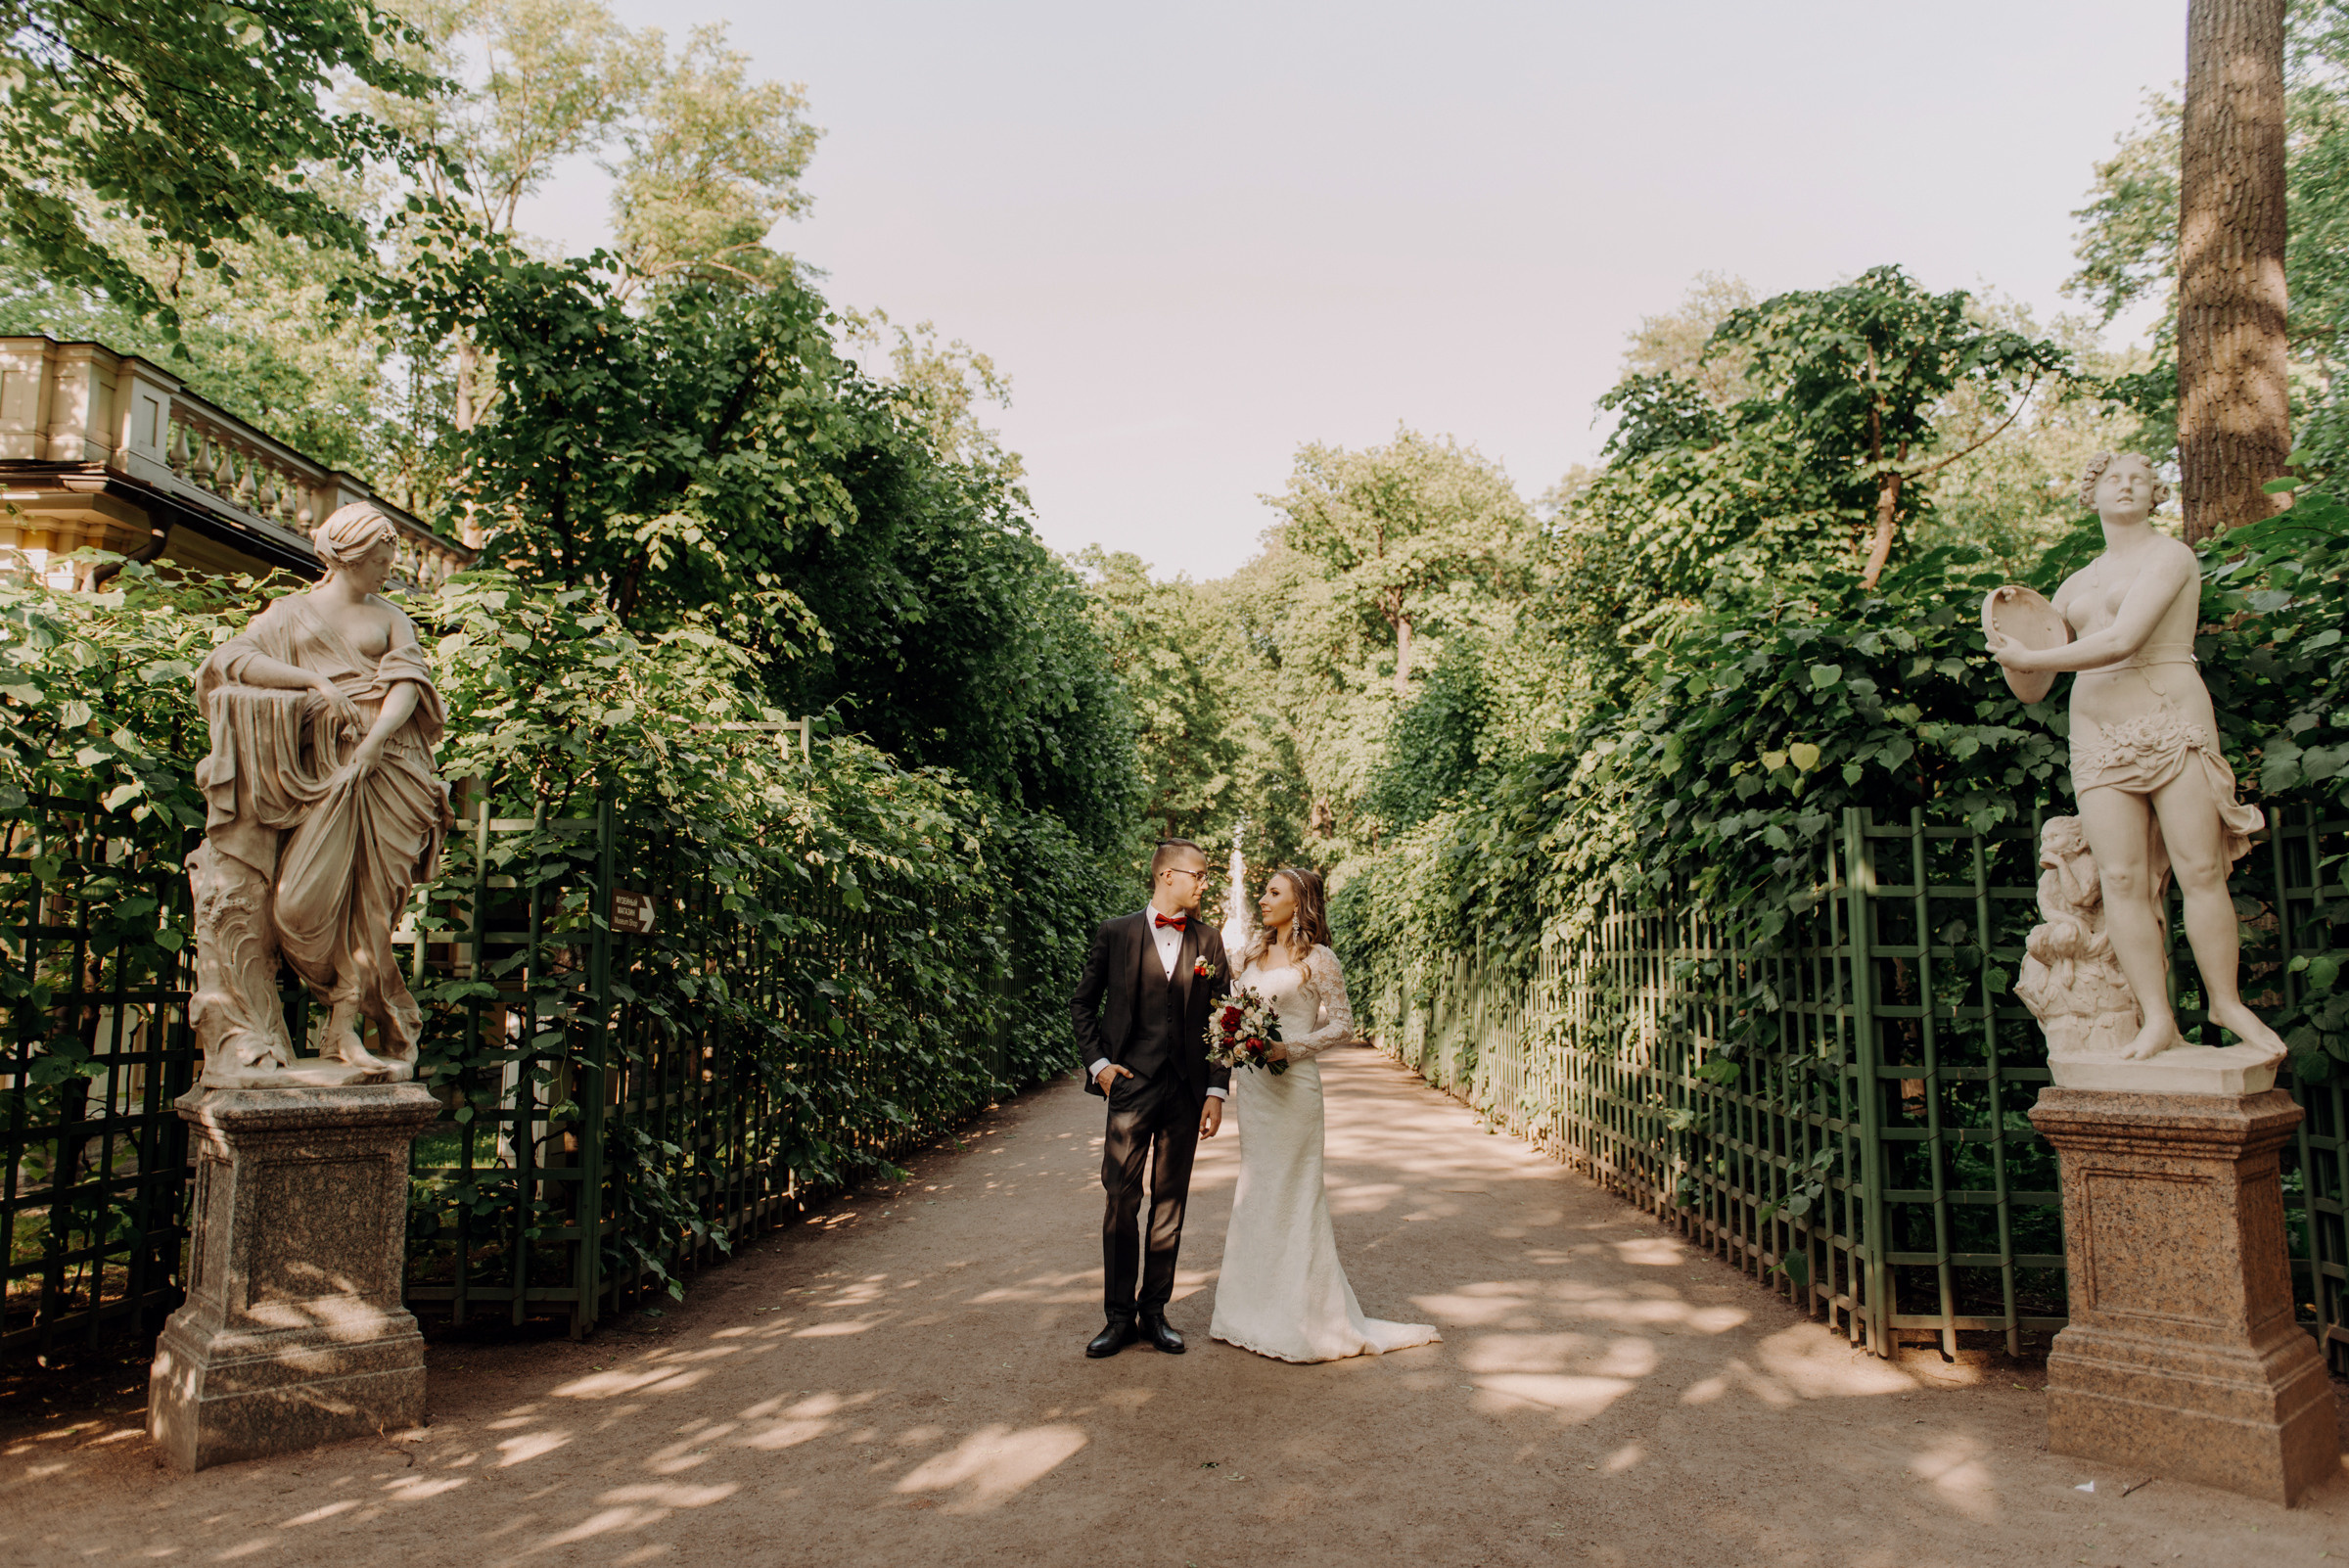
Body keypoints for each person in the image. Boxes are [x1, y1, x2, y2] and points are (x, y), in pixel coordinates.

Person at [1988, 451, 2283, 1066]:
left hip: (2169, 718)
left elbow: (2124, 639)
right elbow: (2034, 687)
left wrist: (2030, 657)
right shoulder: (2071, 588)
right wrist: (2008, 638)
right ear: (2090, 497)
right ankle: (2156, 1019)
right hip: (2097, 730)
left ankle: (2226, 1003)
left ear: (2155, 497)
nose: (2126, 487)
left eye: (2140, 481)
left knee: (2200, 870)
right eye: (2112, 480)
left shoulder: (2169, 556)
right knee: (2120, 880)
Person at [190, 502, 453, 1082]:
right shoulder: (291, 615)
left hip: (391, 768)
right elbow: (232, 662)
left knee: (374, 907)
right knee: (297, 906)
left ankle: (345, 1029)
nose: (390, 570)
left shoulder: (391, 617)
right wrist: (310, 679)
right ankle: (300, 1023)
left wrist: (373, 746)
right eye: (382, 560)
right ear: (352, 557)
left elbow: (407, 687)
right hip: (321, 775)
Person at [1209, 866, 1438, 1362]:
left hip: (1293, 1092)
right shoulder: (1251, 953)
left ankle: (1304, 1317)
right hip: (1254, 1091)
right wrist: (1234, 1041)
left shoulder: (1319, 959)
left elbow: (1342, 1026)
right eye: (1264, 892)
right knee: (1255, 1193)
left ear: (1300, 902)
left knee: (1294, 1195)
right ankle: (1245, 1313)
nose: (1263, 899)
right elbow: (1235, 1010)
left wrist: (1286, 1049)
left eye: (1274, 893)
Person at [1068, 838, 1231, 1357]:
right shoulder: (1114, 933)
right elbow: (1082, 1004)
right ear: (1167, 876)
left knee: (1170, 1204)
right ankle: (1117, 1318)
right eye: (1198, 875)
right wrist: (1100, 1067)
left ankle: (1154, 1312)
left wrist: (1215, 1090)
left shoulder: (1209, 940)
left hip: (1185, 1092)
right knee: (1121, 1199)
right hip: (1130, 1086)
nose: (1205, 883)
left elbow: (1224, 1021)